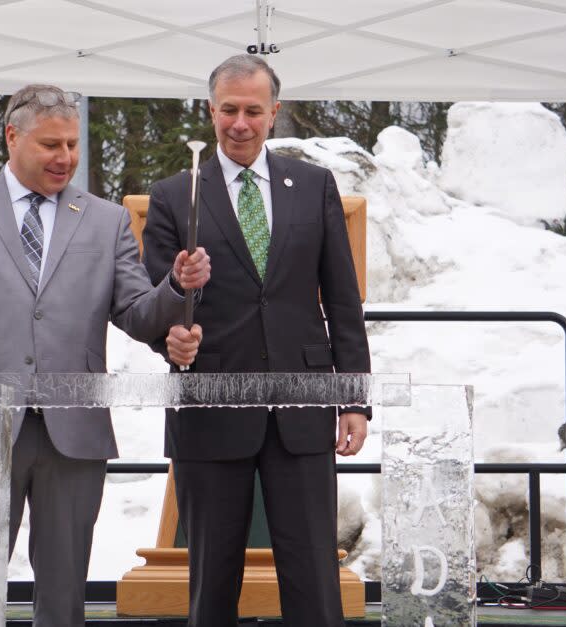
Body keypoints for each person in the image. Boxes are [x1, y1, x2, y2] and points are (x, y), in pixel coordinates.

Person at [0, 83, 210, 626]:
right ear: (12, 136)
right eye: (50, 145)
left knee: (64, 599)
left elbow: (137, 313)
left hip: (75, 435)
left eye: (72, 144)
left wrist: (176, 287)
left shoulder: (106, 220)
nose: (65, 157)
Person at [142, 55, 371, 627]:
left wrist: (354, 398)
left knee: (315, 578)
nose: (239, 123)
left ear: (275, 112)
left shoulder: (314, 186)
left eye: (252, 110)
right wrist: (173, 328)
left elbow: (341, 299)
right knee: (212, 583)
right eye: (227, 110)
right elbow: (151, 305)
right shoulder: (175, 195)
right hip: (210, 409)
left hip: (303, 406)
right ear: (211, 111)